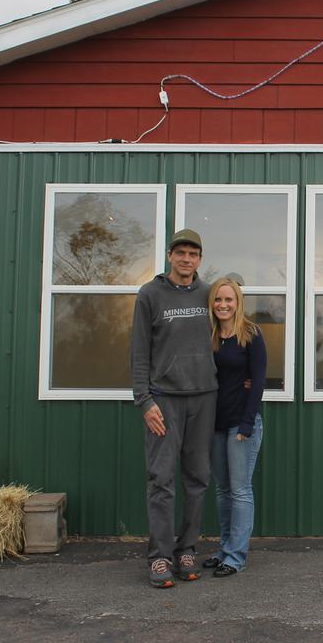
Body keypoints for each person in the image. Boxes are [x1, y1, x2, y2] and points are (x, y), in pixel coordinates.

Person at [130, 228, 217, 588]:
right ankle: (161, 557)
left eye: (193, 253)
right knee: (161, 480)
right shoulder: (150, 294)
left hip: (204, 398)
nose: (186, 259)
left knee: (197, 479)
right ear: (170, 256)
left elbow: (230, 333)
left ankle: (186, 549)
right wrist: (144, 400)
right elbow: (139, 352)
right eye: (180, 252)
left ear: (199, 259)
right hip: (163, 400)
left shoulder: (209, 294)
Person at [204, 276, 266, 577]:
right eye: (218, 299)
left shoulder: (251, 334)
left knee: (240, 491)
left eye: (229, 299)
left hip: (241, 425)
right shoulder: (210, 336)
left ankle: (236, 557)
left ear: (238, 302)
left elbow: (258, 382)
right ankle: (223, 549)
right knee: (222, 490)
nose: (223, 304)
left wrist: (247, 423)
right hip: (214, 424)